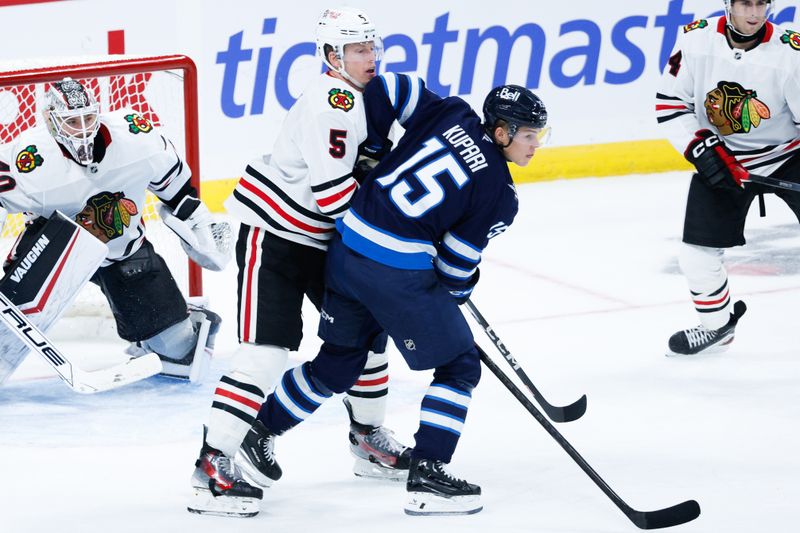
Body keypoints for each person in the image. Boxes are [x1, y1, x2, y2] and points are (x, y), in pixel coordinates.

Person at [251, 75, 548, 516]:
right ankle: (429, 473)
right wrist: (459, 291)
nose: (534, 145)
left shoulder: (452, 113)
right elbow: (454, 268)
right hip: (394, 273)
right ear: (501, 132)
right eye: (528, 136)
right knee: (459, 364)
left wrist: (372, 148)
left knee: (340, 362)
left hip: (347, 248)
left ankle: (258, 431)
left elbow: (391, 87)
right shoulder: (500, 195)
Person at [188, 7, 410, 517]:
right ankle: (211, 463)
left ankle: (367, 438)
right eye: (358, 50)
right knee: (266, 354)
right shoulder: (329, 103)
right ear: (333, 57)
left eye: (372, 47)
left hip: (327, 243)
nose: (370, 57)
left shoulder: (367, 97)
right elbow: (334, 197)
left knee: (367, 340)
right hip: (279, 240)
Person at [0, 78, 229, 382]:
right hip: (54, 250)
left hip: (122, 250)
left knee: (178, 354)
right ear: (51, 122)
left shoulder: (136, 137)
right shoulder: (27, 158)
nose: (82, 128)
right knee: (5, 339)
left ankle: (179, 320)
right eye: (71, 121)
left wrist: (200, 226)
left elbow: (179, 194)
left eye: (88, 118)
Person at [655, 0, 800, 356]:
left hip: (788, 155)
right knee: (696, 254)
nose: (753, 13)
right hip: (721, 157)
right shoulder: (695, 41)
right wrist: (703, 149)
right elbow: (670, 105)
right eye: (745, 4)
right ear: (728, 5)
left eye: (761, 4)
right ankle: (717, 326)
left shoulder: (791, 52)